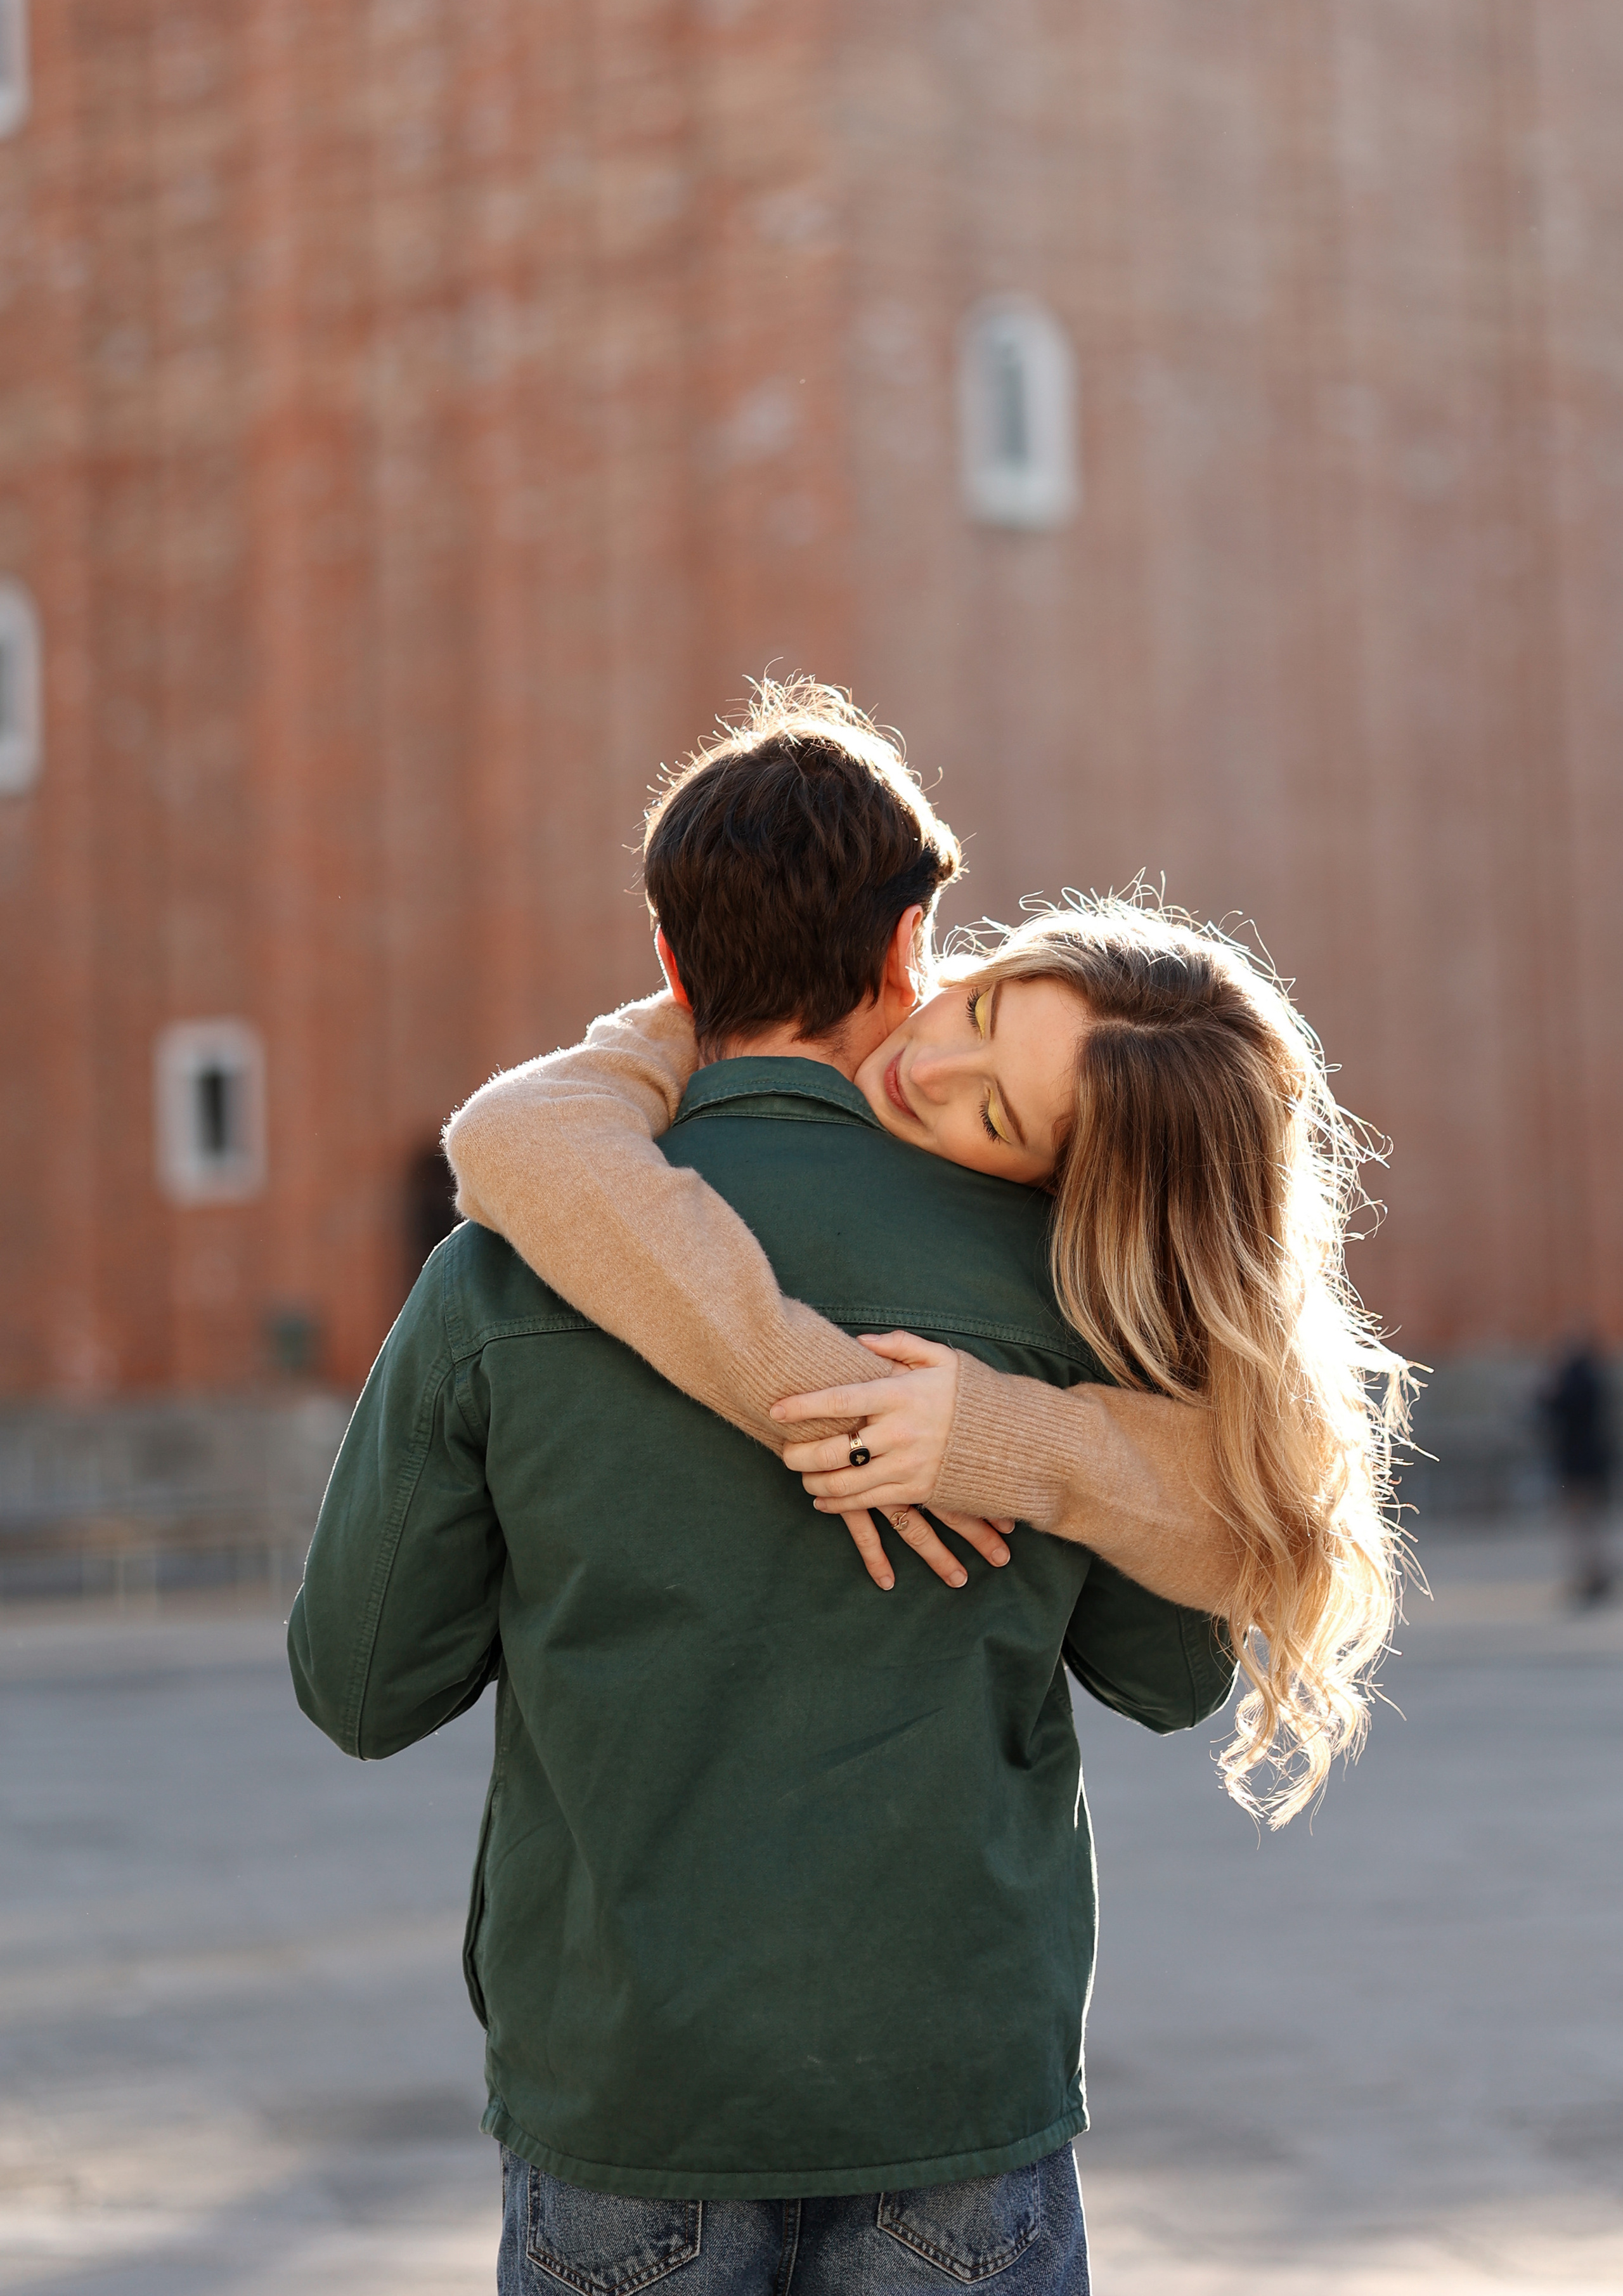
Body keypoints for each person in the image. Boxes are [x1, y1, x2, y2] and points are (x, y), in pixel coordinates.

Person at [290, 685, 1241, 2295]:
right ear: (913, 946)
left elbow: (362, 1683)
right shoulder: (1066, 1269)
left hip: (626, 2093)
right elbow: (1173, 1674)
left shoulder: (499, 1272)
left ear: (667, 966)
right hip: (953, 2095)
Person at [448, 691, 1408, 1830]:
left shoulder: (1077, 1279)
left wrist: (1009, 1438)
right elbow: (511, 1133)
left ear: (1072, 1190)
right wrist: (825, 1391)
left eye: (995, 1118)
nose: (927, 1069)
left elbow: (1253, 1549)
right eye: (981, 1011)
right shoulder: (861, 1008)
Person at [1539, 1338, 1615, 1607]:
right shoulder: (1594, 1380)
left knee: (1580, 1524)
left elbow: (1552, 1409)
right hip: (1592, 1464)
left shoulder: (1573, 1384)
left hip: (1576, 1466)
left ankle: (1592, 1575)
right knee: (1589, 1523)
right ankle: (1594, 1574)